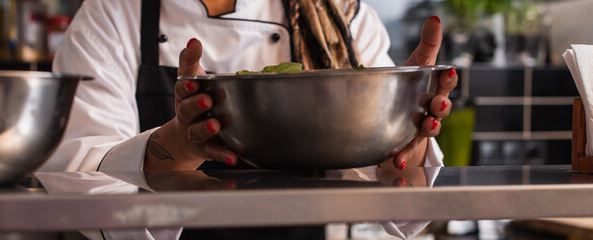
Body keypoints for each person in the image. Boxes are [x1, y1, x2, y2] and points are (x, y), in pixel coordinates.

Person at [45, 0, 457, 239]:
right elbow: (78, 180)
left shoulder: (340, 16)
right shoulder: (112, 15)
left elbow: (392, 199)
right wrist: (171, 150)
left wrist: (401, 137)